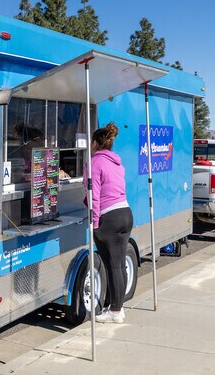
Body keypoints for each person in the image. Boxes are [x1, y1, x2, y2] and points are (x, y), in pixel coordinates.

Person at [84, 122, 133, 323]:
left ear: (95, 142)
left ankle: (115, 311)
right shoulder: (117, 163)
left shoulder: (94, 163)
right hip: (125, 213)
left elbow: (93, 196)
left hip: (109, 218)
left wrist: (94, 223)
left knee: (112, 266)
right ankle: (117, 308)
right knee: (119, 264)